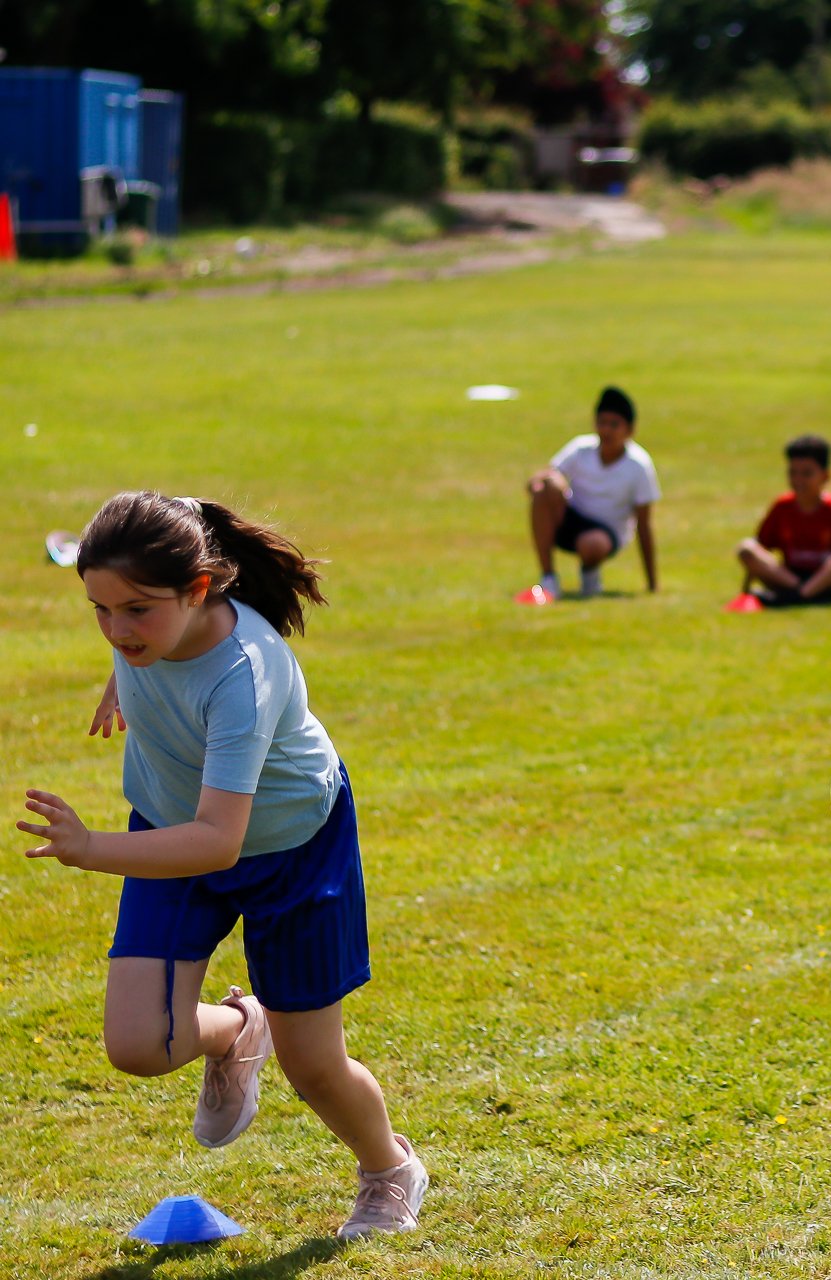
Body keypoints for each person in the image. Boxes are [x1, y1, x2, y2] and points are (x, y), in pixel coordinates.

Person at [17, 492, 427, 1239]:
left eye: (136, 612)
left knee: (316, 1070)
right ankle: (241, 1027)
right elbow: (170, 531)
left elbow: (217, 842)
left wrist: (90, 847)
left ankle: (389, 1169)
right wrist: (129, 666)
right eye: (99, 612)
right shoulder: (151, 597)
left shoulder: (246, 671)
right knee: (139, 1046)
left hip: (290, 849)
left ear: (200, 589)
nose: (116, 629)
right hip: (173, 823)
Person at [526, 386, 660, 600]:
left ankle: (590, 574)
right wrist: (550, 483)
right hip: (571, 520)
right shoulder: (580, 448)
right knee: (545, 491)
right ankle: (548, 577)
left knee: (592, 544)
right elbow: (538, 480)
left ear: (629, 430)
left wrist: (652, 583)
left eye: (614, 425)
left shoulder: (639, 465)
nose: (606, 430)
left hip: (606, 533)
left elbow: (644, 524)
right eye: (601, 422)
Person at [736, 434, 831, 605]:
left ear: (825, 476)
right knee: (746, 548)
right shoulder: (782, 507)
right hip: (790, 578)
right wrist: (746, 589)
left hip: (829, 580)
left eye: (806, 473)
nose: (798, 480)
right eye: (793, 473)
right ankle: (803, 592)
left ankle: (801, 595)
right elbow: (759, 546)